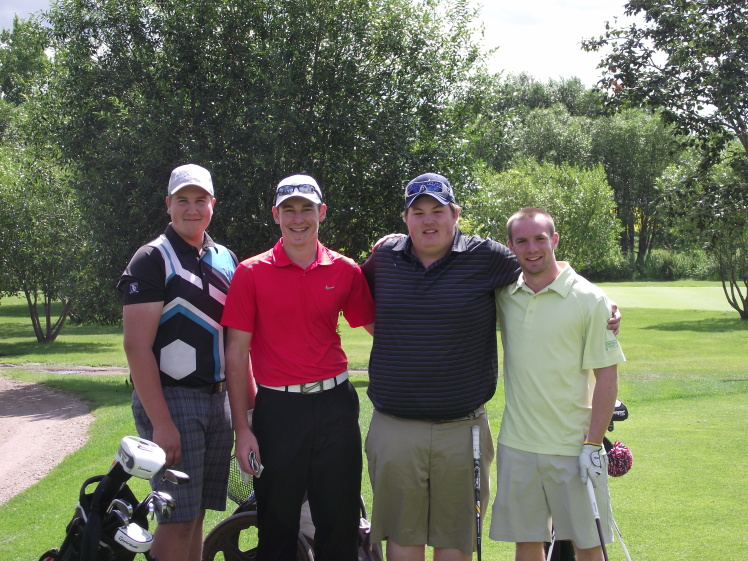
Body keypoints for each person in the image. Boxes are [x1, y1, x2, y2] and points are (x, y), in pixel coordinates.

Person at [360, 174, 621, 561]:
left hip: (462, 428)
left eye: (437, 211)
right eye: (418, 212)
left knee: (455, 537)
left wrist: (602, 303)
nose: (428, 220)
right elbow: (354, 296)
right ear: (405, 218)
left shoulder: (487, 257)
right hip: (396, 426)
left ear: (456, 214)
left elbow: (541, 265)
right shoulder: (384, 258)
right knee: (402, 535)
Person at [221, 174, 375, 561]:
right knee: (276, 526)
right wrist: (243, 429)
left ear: (321, 212)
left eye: (307, 209)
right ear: (276, 215)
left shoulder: (345, 269)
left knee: (339, 523)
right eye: (288, 210)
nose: (298, 218)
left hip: (336, 405)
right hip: (279, 411)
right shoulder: (251, 273)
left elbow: (382, 331)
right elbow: (236, 355)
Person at [489, 207, 625, 561]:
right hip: (517, 444)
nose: (532, 248)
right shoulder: (504, 293)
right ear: (510, 246)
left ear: (555, 240)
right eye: (522, 241)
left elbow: (607, 377)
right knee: (526, 543)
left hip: (573, 446)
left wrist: (592, 444)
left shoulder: (590, 299)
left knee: (588, 545)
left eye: (540, 238)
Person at [117, 163, 237, 561]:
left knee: (197, 513)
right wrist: (162, 422)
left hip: (217, 400)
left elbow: (236, 341)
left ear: (213, 204)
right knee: (176, 518)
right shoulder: (152, 258)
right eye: (182, 200)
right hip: (171, 400)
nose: (192, 208)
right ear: (168, 204)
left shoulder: (225, 258)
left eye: (200, 200)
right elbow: (136, 347)